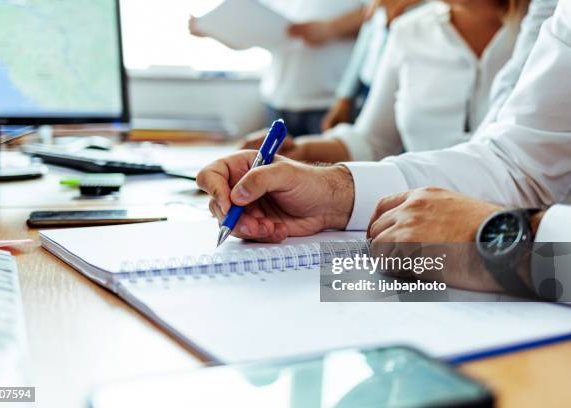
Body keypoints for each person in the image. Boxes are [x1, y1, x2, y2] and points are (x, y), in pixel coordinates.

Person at [196, 0, 570, 245]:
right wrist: (329, 191)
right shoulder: (410, 29)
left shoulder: (535, 23)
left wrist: (504, 241)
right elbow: (521, 166)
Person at [241, 0, 528, 163]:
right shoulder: (408, 30)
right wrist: (301, 150)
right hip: (421, 219)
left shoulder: (547, 29)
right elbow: (374, 142)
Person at [189, 0, 365, 136]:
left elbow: (377, 11)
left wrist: (330, 28)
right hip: (279, 99)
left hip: (331, 101)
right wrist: (216, 28)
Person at [322, 0, 423, 131]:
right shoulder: (377, 8)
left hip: (404, 93)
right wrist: (345, 98)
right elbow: (362, 49)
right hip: (366, 89)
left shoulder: (426, 13)